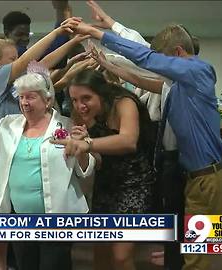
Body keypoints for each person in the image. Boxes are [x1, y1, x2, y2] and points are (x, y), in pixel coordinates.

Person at [67, 14, 222, 270]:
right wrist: (111, 67)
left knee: (197, 254)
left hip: (210, 180)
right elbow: (146, 81)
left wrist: (96, 32)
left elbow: (145, 58)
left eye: (164, 62)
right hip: (199, 179)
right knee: (190, 249)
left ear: (178, 53)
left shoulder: (200, 71)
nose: (159, 68)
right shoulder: (181, 85)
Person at [0, 20, 76, 270]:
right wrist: (58, 32)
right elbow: (31, 59)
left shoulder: (16, 84)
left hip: (11, 156)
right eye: (13, 58)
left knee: (6, 230)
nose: (20, 61)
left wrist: (74, 43)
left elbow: (43, 64)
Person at [0, 70, 95, 270]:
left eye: (31, 97)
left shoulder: (67, 126)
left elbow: (85, 172)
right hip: (21, 219)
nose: (25, 102)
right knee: (25, 265)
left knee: (54, 266)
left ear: (47, 100)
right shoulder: (8, 125)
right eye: (22, 97)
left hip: (57, 219)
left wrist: (81, 150)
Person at [53, 69, 155, 270]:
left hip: (135, 183)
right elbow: (97, 161)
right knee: (100, 249)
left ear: (101, 92)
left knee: (121, 255)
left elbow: (128, 141)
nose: (80, 106)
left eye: (86, 98)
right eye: (74, 100)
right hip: (106, 182)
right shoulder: (83, 115)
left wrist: (88, 144)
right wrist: (81, 146)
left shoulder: (123, 103)